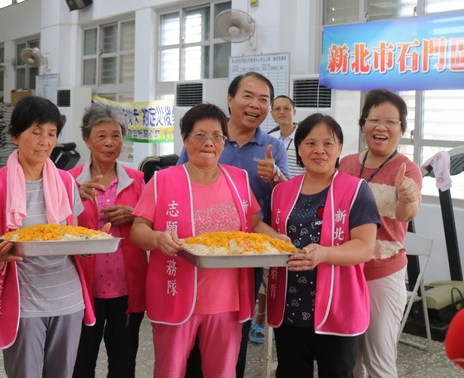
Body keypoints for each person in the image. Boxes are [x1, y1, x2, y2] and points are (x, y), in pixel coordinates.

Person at [131, 103, 287, 378]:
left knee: (223, 372)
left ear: (224, 142)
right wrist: (158, 238)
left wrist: (278, 240)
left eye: (217, 136)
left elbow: (254, 223)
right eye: (200, 135)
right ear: (184, 139)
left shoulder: (237, 179)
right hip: (175, 292)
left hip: (226, 301)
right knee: (169, 371)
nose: (209, 143)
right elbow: (138, 230)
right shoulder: (162, 180)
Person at [178, 72, 289, 378]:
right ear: (230, 100)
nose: (256, 105)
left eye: (263, 99)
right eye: (248, 96)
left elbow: (287, 198)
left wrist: (276, 178)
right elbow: (178, 181)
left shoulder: (273, 147)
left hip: (245, 253)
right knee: (193, 329)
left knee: (233, 331)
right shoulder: (208, 135)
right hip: (199, 250)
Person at [0, 96, 90, 378]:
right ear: (16, 136)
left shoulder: (65, 182)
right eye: (36, 132)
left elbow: (71, 236)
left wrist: (90, 244)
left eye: (51, 134)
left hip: (68, 298)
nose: (44, 141)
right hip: (24, 303)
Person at [266, 113, 380, 377]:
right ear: (298, 149)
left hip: (339, 305)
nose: (319, 150)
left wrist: (325, 254)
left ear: (339, 149)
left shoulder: (356, 190)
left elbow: (365, 247)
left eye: (328, 143)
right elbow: (263, 230)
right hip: (290, 306)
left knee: (337, 372)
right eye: (310, 143)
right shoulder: (281, 192)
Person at [338, 88, 422, 377]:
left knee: (378, 357)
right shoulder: (347, 163)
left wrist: (407, 196)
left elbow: (405, 215)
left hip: (382, 274)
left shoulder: (408, 170)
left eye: (391, 122)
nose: (381, 127)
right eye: (374, 120)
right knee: (349, 357)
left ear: (402, 129)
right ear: (363, 124)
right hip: (346, 270)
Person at [69, 103, 147, 378]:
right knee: (81, 363)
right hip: (83, 288)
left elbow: (153, 222)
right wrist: (73, 200)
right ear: (87, 140)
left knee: (124, 363)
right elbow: (53, 227)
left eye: (115, 135)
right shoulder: (69, 182)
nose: (109, 143)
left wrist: (135, 214)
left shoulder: (137, 180)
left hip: (127, 287)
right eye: (101, 136)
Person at [269, 95, 304, 177]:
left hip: (300, 187)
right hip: (277, 187)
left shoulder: (305, 137)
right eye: (277, 109)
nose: (281, 112)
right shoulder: (270, 138)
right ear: (272, 113)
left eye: (286, 108)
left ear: (294, 112)